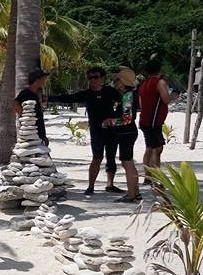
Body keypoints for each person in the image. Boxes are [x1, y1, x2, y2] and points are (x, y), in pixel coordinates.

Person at [48, 66, 123, 196]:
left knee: (111, 158)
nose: (93, 80)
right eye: (90, 78)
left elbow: (124, 103)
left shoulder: (110, 91)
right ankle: (91, 186)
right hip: (96, 131)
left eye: (96, 77)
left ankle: (110, 185)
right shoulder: (87, 94)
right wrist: (48, 98)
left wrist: (115, 116)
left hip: (112, 130)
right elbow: (68, 98)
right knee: (97, 158)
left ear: (102, 78)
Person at [102, 68, 140, 202]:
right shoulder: (130, 94)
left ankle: (131, 195)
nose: (115, 82)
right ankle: (135, 192)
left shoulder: (128, 96)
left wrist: (109, 121)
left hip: (126, 132)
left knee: (127, 163)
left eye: (117, 80)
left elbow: (127, 118)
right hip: (129, 132)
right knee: (129, 163)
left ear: (123, 82)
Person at [139, 58, 178, 184]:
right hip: (153, 121)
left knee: (150, 147)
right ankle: (155, 177)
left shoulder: (143, 84)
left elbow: (141, 103)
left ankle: (148, 175)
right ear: (159, 70)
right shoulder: (159, 82)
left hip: (145, 119)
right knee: (157, 148)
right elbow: (166, 99)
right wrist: (175, 95)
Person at [13, 68, 49, 146]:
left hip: (38, 132)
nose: (44, 81)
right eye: (43, 79)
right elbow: (15, 103)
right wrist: (25, 116)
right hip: (32, 133)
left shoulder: (35, 94)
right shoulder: (26, 93)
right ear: (37, 80)